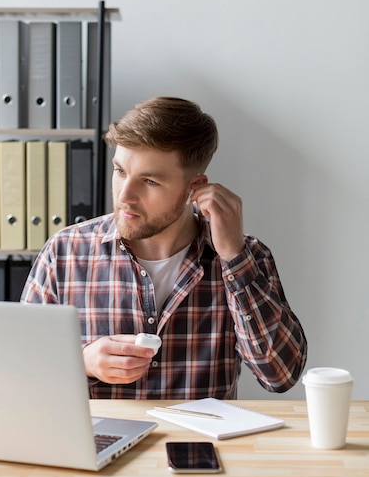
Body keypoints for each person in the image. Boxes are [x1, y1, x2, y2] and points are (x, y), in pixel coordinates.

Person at [21, 97, 307, 399]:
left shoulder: (245, 256)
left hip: (197, 445)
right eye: (120, 172)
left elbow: (281, 374)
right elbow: (18, 364)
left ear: (193, 188)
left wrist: (234, 257)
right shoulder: (66, 251)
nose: (125, 196)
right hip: (97, 444)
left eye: (149, 181)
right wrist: (83, 362)